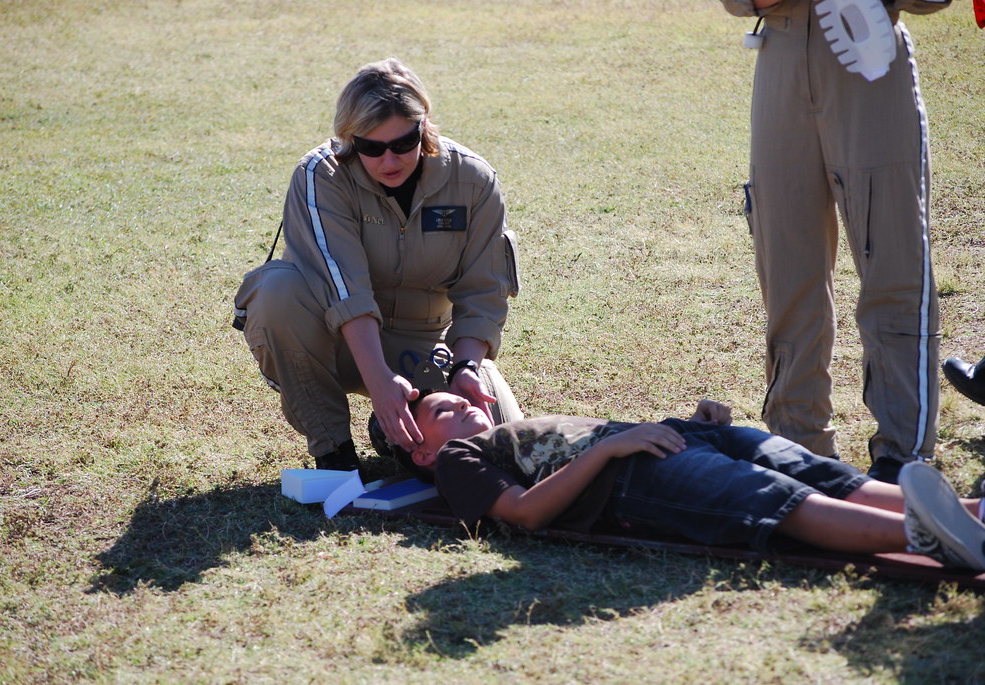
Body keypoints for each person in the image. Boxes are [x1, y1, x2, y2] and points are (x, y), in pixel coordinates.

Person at [233, 58, 521, 472]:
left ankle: (394, 431)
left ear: (425, 127)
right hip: (334, 343)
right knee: (277, 289)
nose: (389, 161)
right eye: (371, 147)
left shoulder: (473, 180)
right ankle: (335, 454)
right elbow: (344, 288)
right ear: (349, 140)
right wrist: (379, 381)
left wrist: (467, 365)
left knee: (503, 451)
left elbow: (484, 290)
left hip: (425, 348)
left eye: (403, 144)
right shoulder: (322, 174)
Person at [721, 0, 951, 483]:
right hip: (780, 55)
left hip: (868, 58)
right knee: (787, 268)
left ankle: (902, 454)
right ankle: (798, 443)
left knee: (892, 261)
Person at [373, 391, 985, 571]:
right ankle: (922, 537)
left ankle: (969, 512)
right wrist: (613, 448)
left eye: (458, 401)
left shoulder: (510, 427)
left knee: (818, 472)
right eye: (442, 412)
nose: (462, 408)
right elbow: (526, 515)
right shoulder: (458, 461)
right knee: (773, 499)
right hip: (631, 477)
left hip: (675, 439)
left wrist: (688, 426)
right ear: (421, 451)